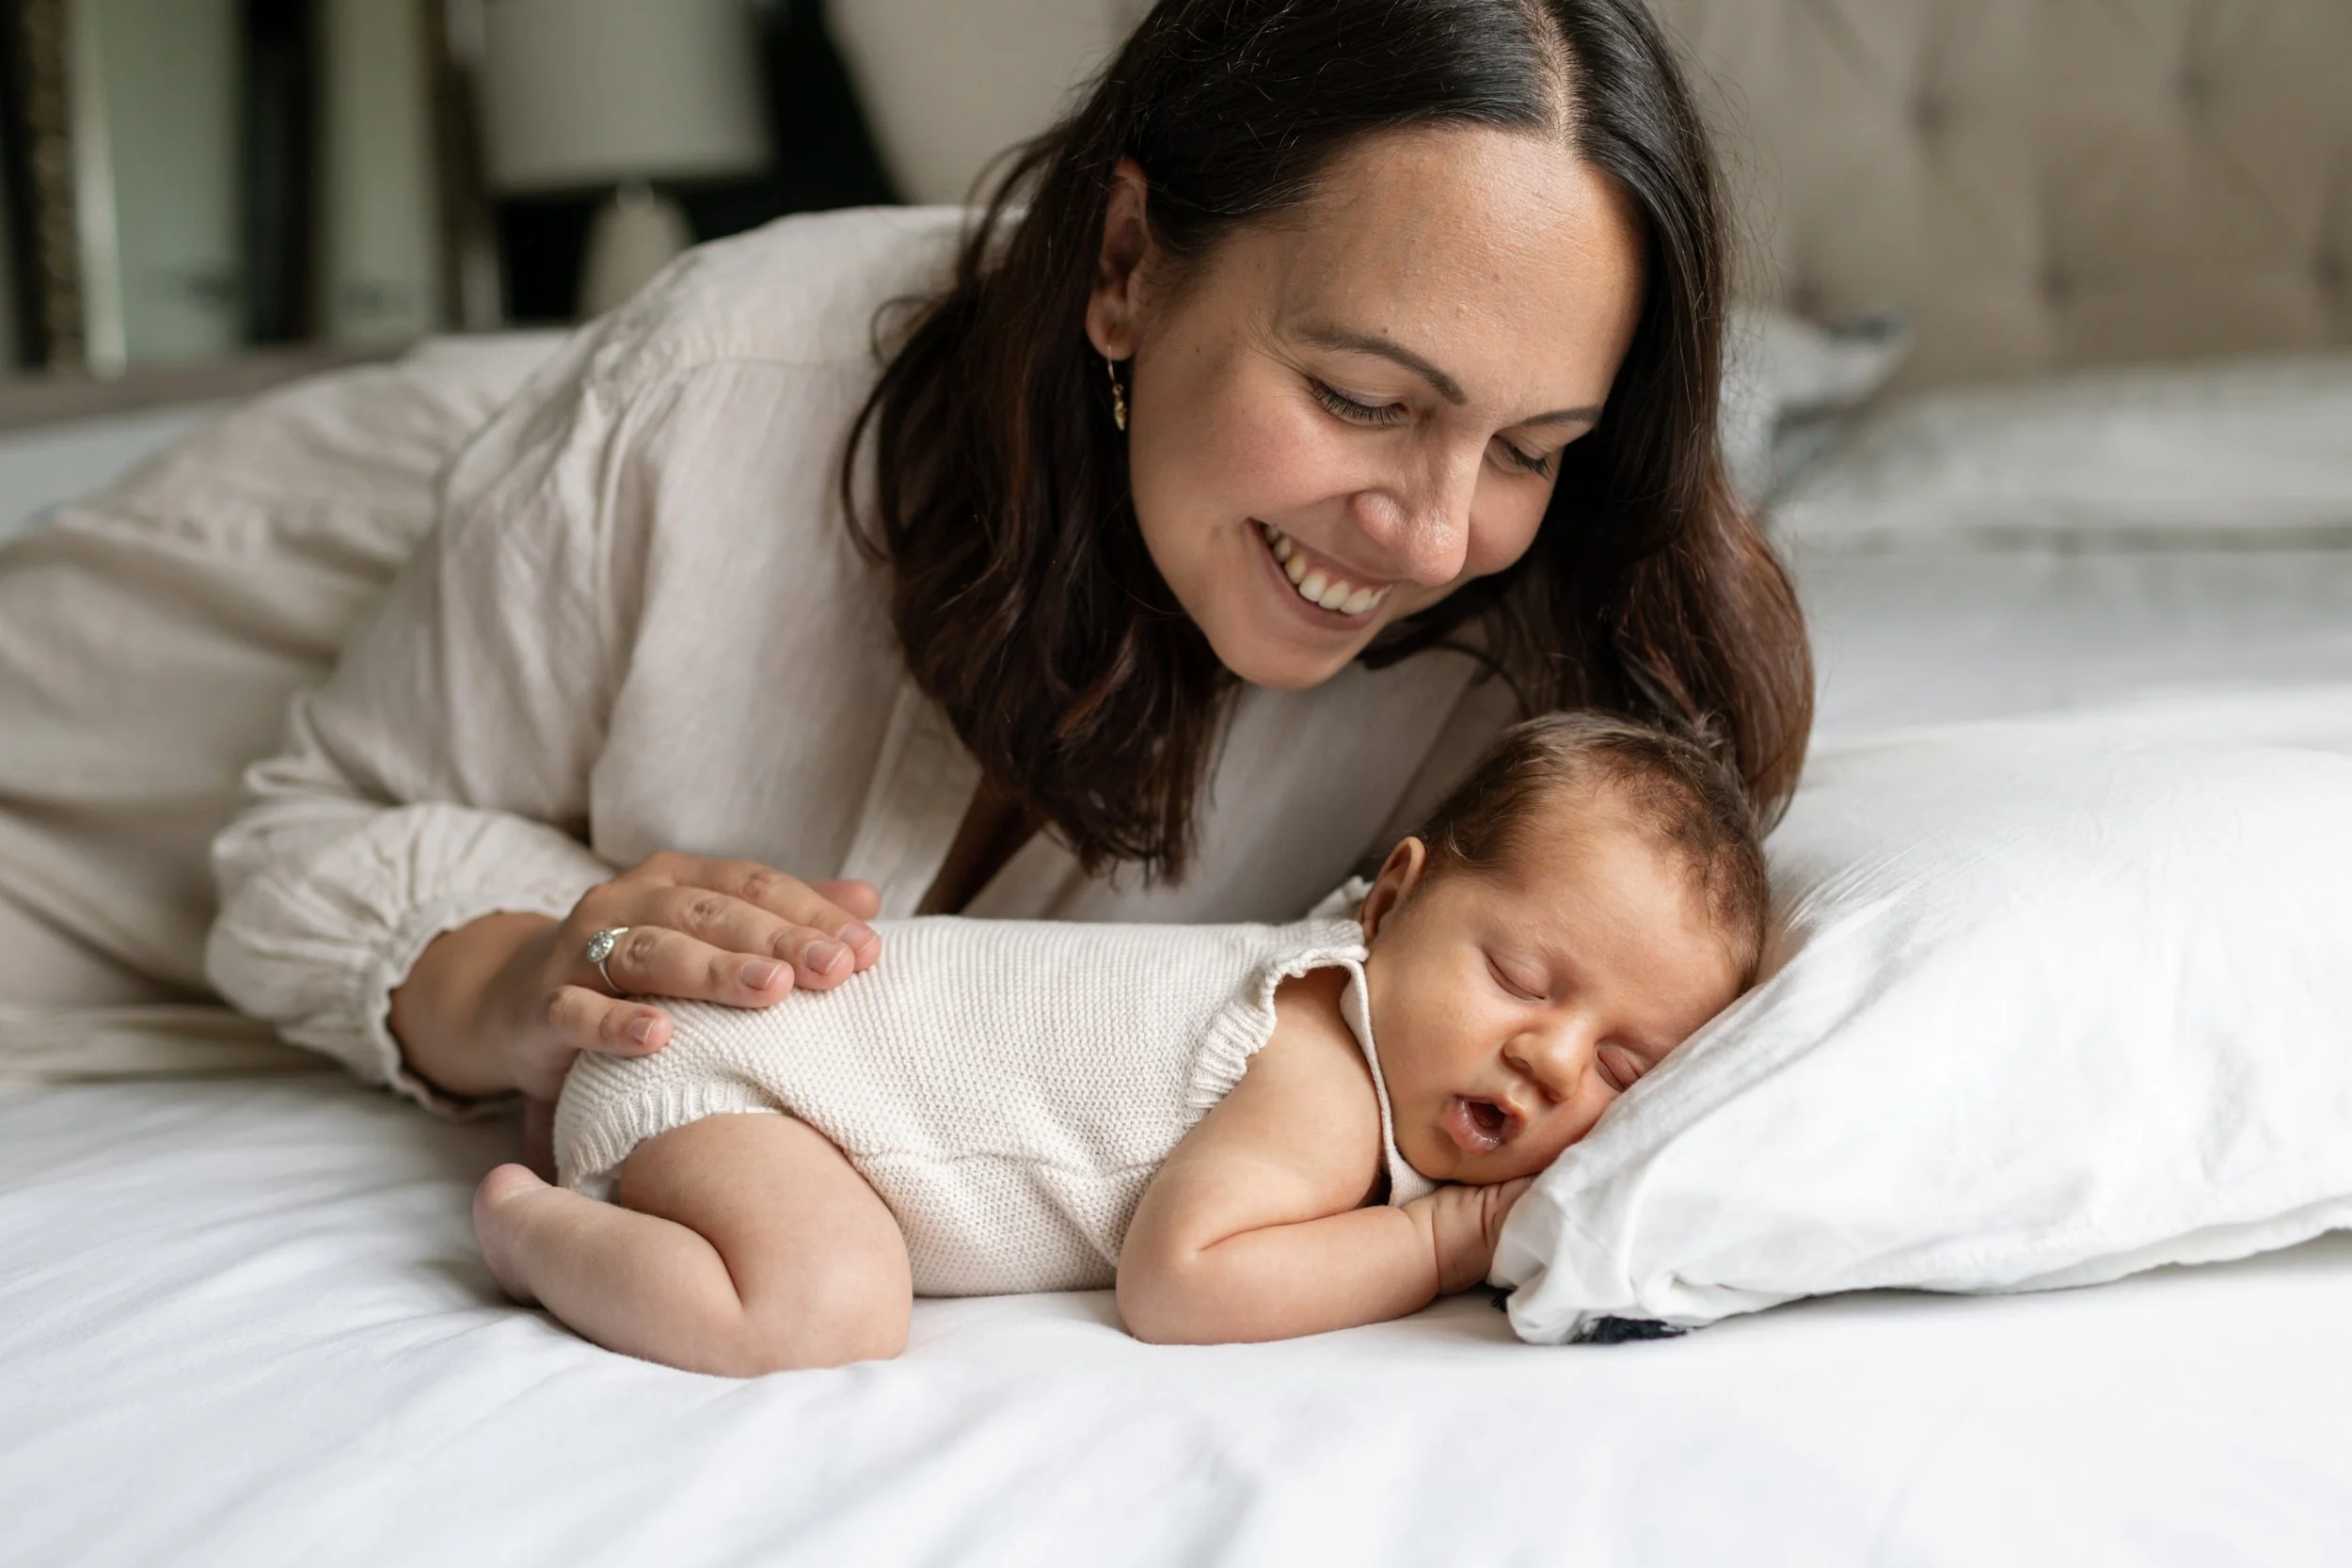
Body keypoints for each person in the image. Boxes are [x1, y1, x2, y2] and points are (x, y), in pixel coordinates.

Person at [0, 1, 1808, 1109]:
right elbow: (306, 830)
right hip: (189, 657)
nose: (1430, 530)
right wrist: (518, 968)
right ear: (1127, 266)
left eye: (1531, 446)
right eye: (1360, 396)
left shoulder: (1523, 662)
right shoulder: (716, 392)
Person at [473, 715, 1768, 1372]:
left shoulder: (1361, 1021)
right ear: (1389, 905)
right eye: (1521, 978)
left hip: (752, 1065)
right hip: (742, 1073)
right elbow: (1181, 1283)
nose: (1555, 1058)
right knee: (830, 1308)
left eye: (1623, 1067)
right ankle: (535, 1227)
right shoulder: (1320, 1059)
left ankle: (597, 1148)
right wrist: (1451, 1239)